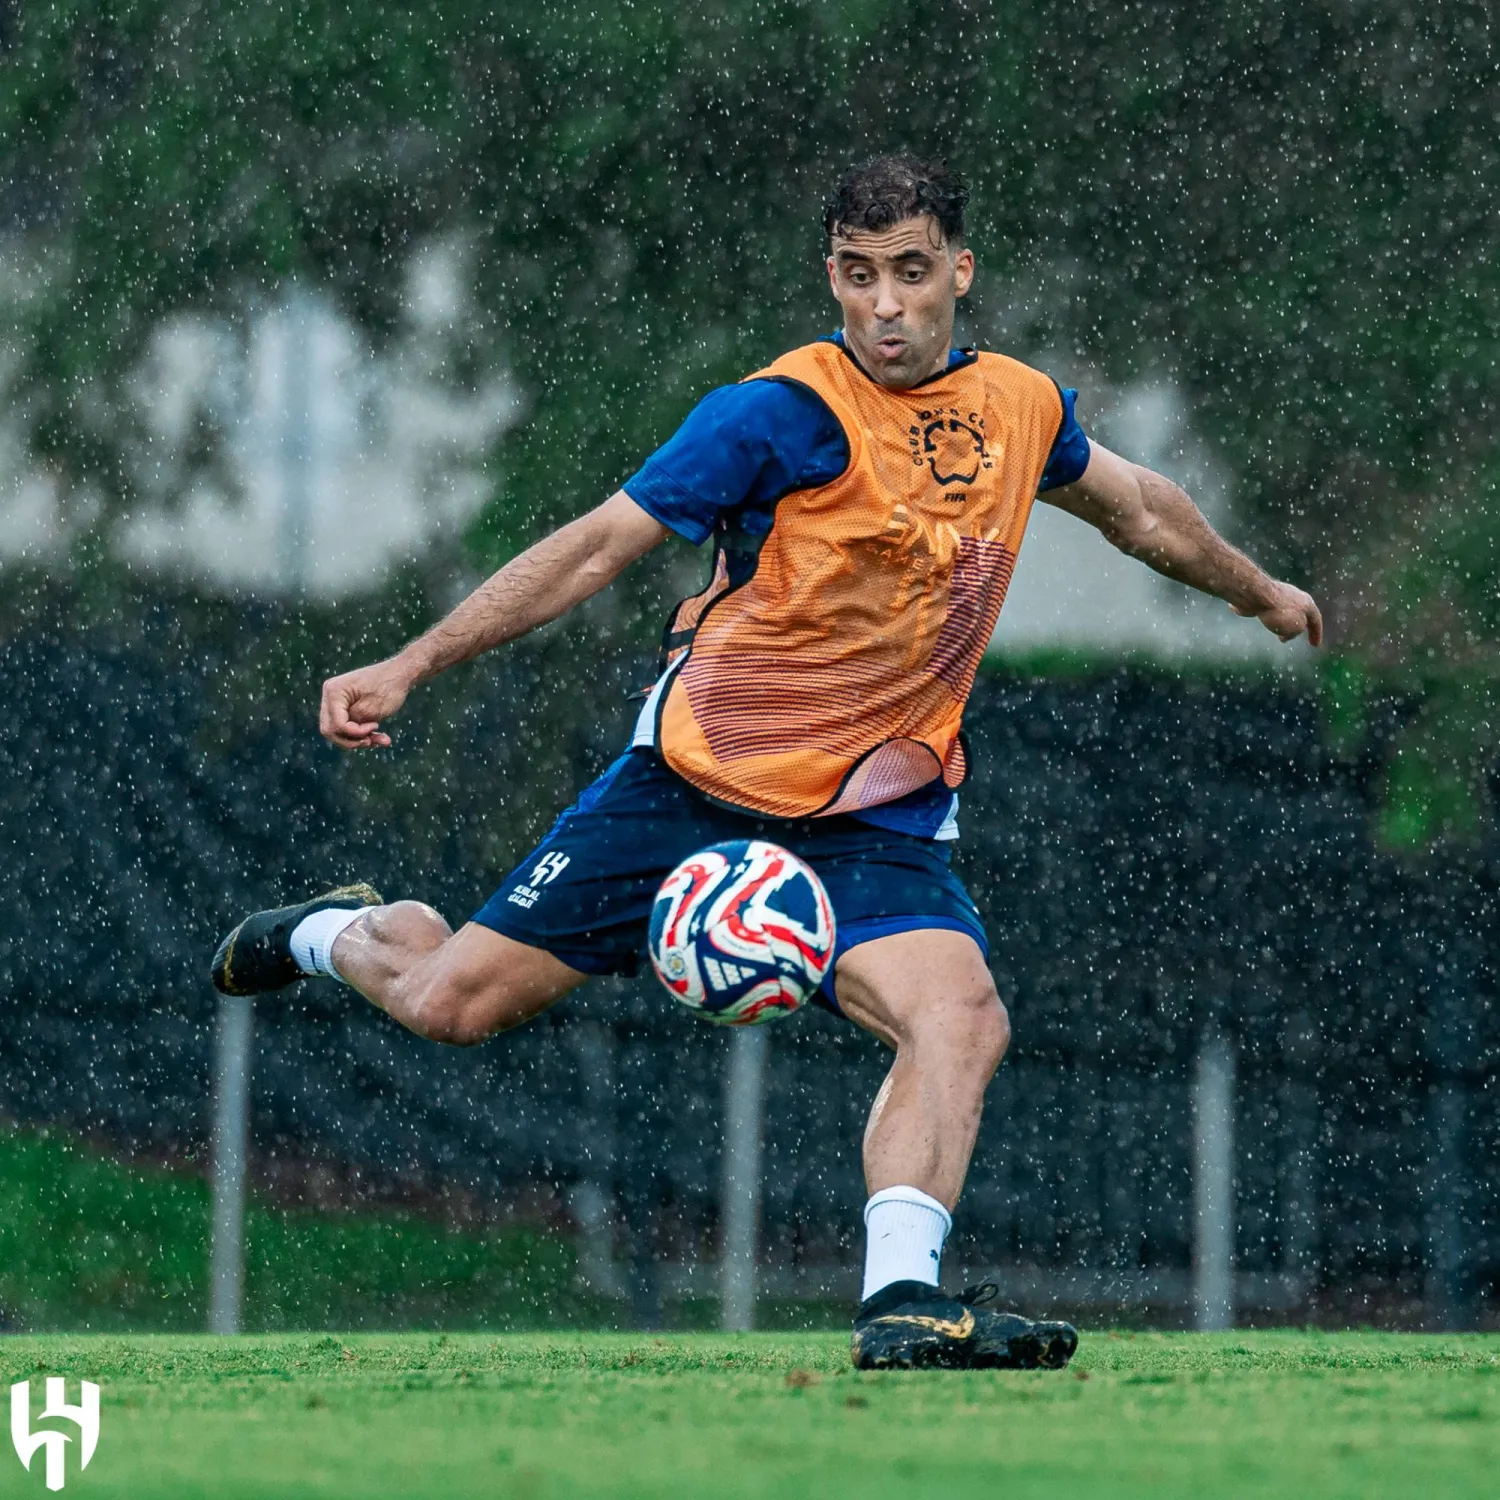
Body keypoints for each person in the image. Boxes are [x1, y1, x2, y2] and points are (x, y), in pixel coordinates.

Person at [211, 153, 1321, 1369]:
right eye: (858, 276)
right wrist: (413, 663)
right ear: (831, 279)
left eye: (910, 273)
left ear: (961, 270)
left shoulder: (1021, 408)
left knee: (961, 1016)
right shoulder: (776, 415)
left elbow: (1143, 509)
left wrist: (1258, 591)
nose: (885, 306)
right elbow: (593, 552)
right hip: (690, 784)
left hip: (878, 816)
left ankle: (902, 1299)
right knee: (447, 1005)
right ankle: (330, 932)